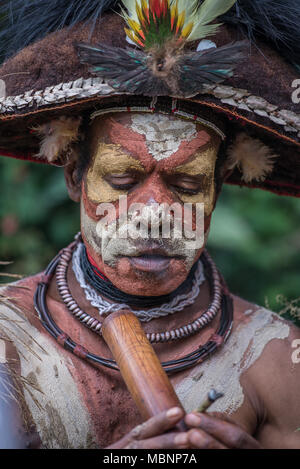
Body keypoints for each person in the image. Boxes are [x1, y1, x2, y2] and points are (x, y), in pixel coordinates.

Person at [0, 0, 299, 449]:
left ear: (218, 191)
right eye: (122, 179)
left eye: (187, 183)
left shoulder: (278, 360)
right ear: (74, 177)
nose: (155, 214)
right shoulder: (7, 344)